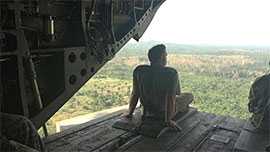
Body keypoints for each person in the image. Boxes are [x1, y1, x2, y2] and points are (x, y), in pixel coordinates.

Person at [125, 44, 193, 129]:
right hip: (162, 112)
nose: (166, 57)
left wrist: (130, 113)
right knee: (189, 96)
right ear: (162, 57)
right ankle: (177, 111)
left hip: (147, 109)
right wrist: (168, 120)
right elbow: (171, 97)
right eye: (165, 55)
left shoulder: (139, 70)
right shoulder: (171, 73)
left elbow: (135, 93)